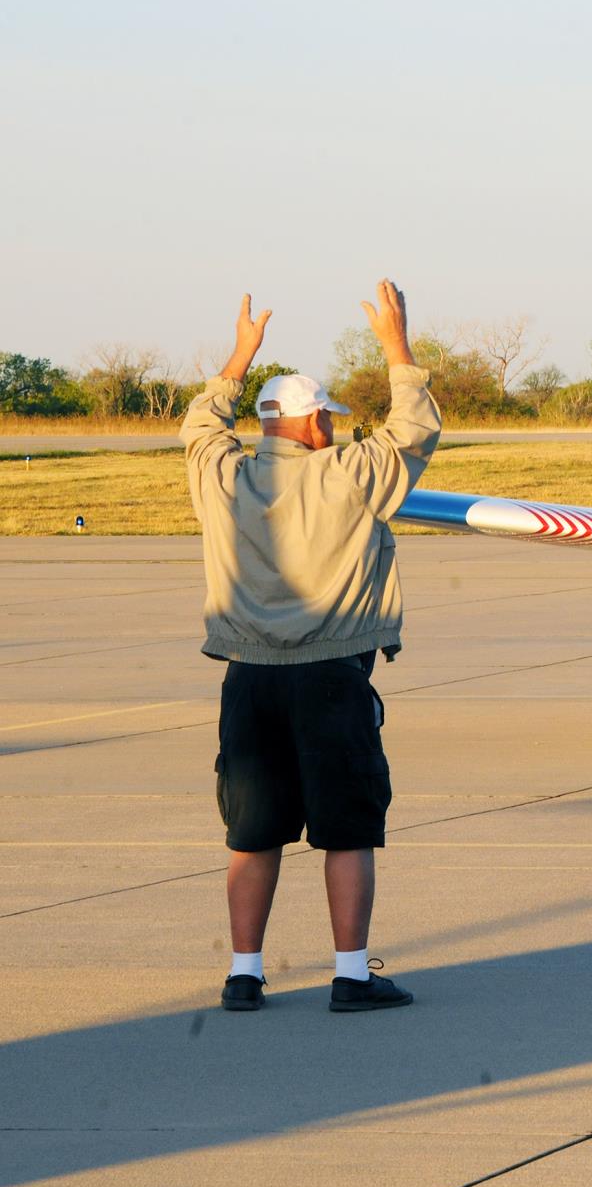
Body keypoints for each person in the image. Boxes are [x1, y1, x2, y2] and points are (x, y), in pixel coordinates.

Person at [180, 281, 441, 1013]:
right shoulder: (351, 475)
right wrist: (397, 347)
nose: (331, 426)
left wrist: (238, 357)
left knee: (251, 832)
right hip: (331, 677)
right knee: (347, 828)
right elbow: (414, 429)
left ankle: (244, 973)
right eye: (325, 416)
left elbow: (201, 425)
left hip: (250, 681)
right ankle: (351, 974)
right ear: (313, 422)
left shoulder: (221, 477)